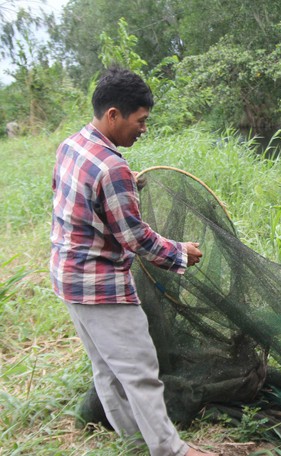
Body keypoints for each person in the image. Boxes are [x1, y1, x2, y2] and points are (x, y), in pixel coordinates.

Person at [50, 67, 216, 456]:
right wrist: (179, 253)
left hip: (67, 277)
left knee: (106, 369)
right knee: (140, 373)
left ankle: (132, 441)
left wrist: (124, 183)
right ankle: (172, 450)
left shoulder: (72, 145)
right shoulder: (112, 168)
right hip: (100, 286)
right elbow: (134, 236)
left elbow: (74, 197)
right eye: (140, 121)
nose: (143, 129)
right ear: (113, 115)